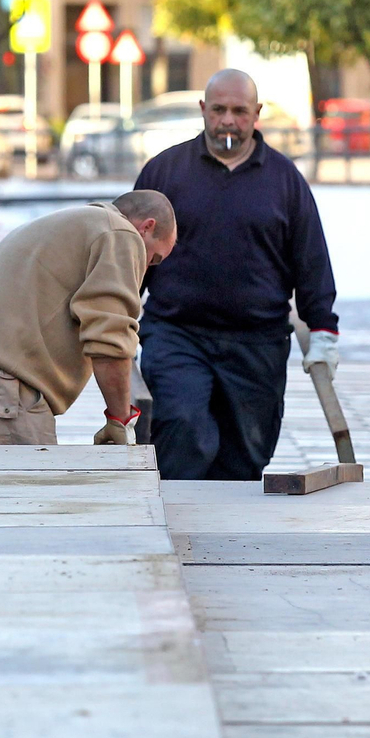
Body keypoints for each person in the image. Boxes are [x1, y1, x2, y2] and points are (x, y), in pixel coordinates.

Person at [134, 69, 339, 480]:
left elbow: (311, 259)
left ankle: (229, 540)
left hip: (256, 342)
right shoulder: (165, 173)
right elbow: (130, 252)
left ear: (257, 113)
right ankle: (177, 526)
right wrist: (115, 313)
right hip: (177, 333)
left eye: (239, 112)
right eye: (219, 110)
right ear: (203, 110)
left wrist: (323, 331)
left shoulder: (285, 181)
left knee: (245, 456)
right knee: (184, 429)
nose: (228, 120)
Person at [0, 191, 177, 445]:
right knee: (30, 484)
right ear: (147, 227)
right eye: (153, 260)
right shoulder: (120, 234)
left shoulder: (67, 224)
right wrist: (120, 420)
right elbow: (110, 340)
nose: (146, 270)